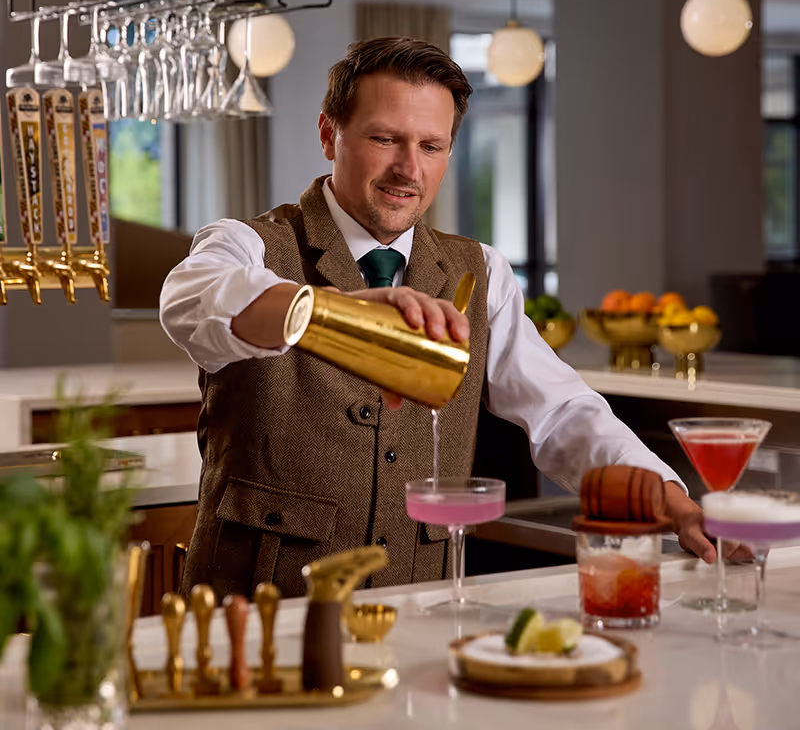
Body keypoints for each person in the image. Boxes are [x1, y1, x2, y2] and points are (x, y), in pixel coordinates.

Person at [160, 36, 710, 600]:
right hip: (256, 618)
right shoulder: (247, 244)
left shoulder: (480, 271)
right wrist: (334, 313)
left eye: (431, 146)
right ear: (329, 134)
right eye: (384, 139)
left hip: (419, 611)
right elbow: (191, 300)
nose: (409, 169)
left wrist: (669, 497)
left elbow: (562, 414)